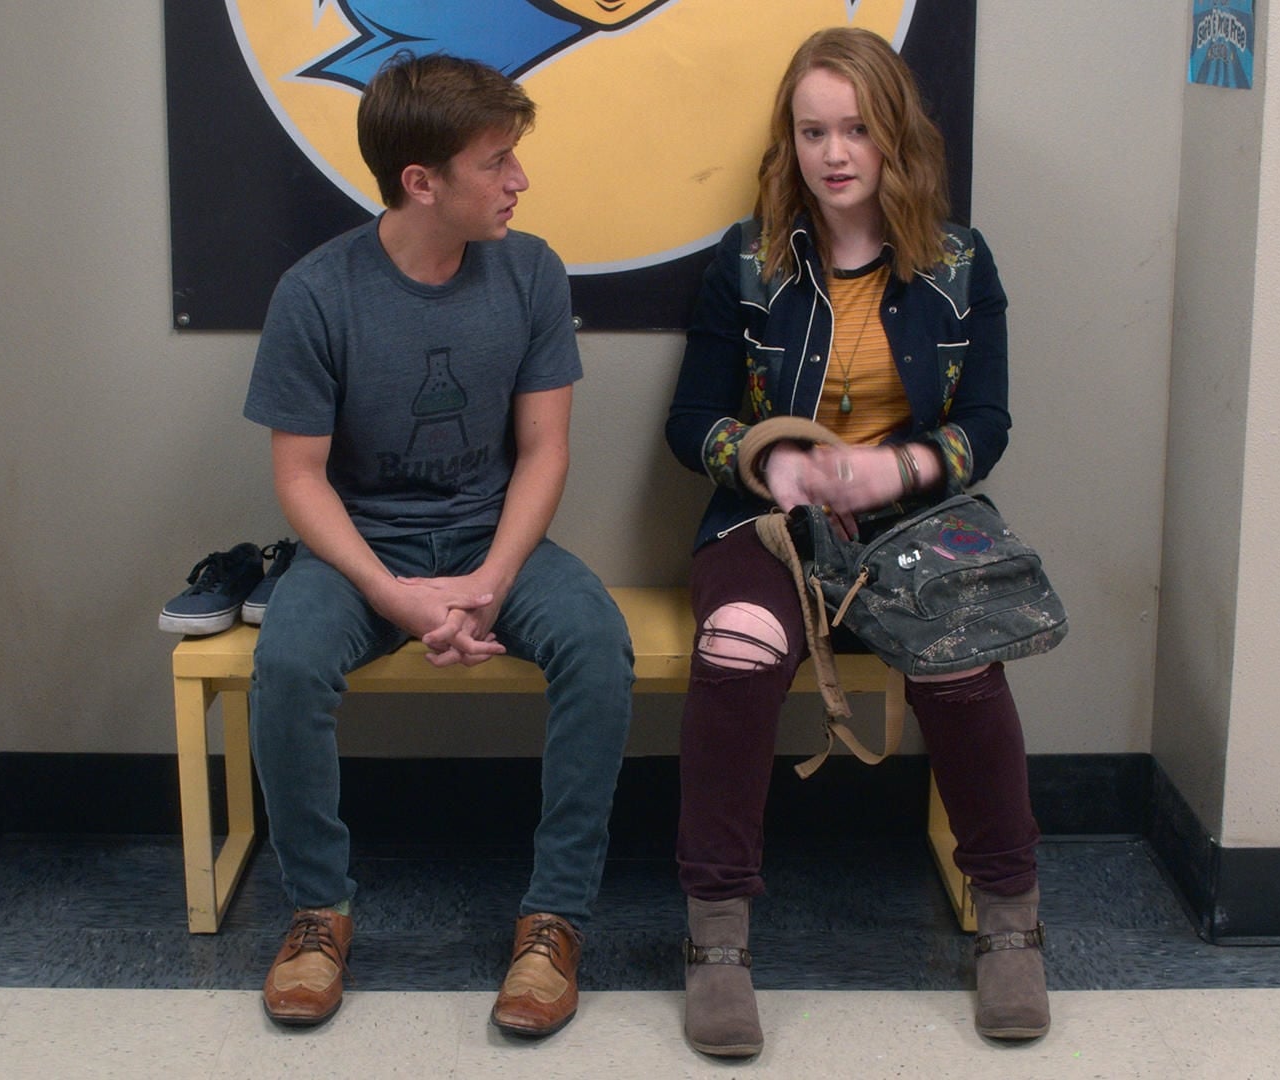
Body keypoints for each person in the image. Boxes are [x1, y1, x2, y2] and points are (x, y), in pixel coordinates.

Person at [663, 27, 1048, 1055]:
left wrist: (899, 468)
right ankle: (717, 939)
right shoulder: (746, 261)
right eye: (812, 132)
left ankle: (1010, 919)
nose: (834, 153)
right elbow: (690, 420)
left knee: (961, 657)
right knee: (737, 644)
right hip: (771, 521)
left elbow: (989, 423)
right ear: (789, 142)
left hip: (913, 522)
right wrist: (771, 461)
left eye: (856, 129)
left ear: (895, 137)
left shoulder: (959, 263)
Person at [243, 52, 634, 1037]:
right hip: (361, 549)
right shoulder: (315, 293)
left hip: (493, 539)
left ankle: (554, 921)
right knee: (285, 663)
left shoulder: (532, 271)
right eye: (497, 162)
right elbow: (300, 478)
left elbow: (546, 450)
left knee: (598, 644)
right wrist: (392, 594)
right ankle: (318, 912)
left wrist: (491, 579)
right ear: (421, 181)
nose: (519, 180)